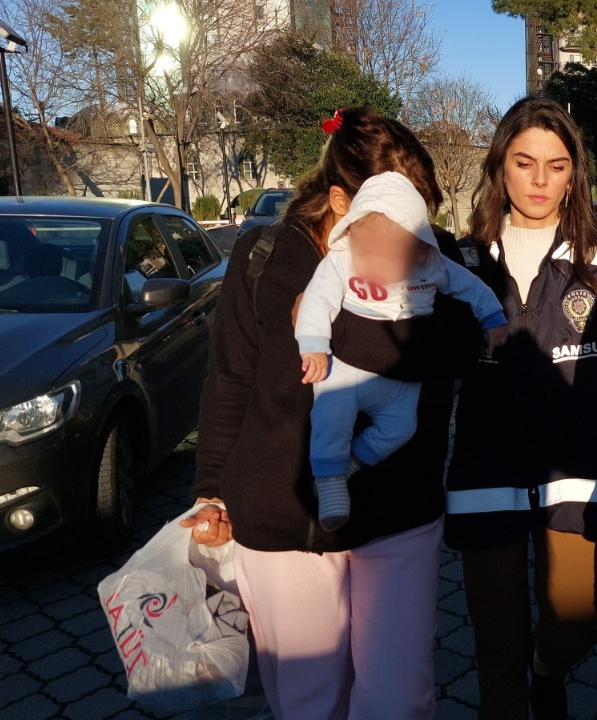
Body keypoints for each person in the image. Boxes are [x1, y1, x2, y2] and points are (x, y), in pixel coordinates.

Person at [181, 107, 479, 720]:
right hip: (279, 519)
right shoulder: (263, 255)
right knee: (309, 704)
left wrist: (329, 328)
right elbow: (230, 379)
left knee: (398, 702)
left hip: (396, 513)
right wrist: (211, 490)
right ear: (340, 200)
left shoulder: (433, 255)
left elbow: (455, 349)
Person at [444, 97, 597, 720]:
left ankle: (548, 673)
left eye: (556, 166)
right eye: (525, 163)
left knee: (575, 623)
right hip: (486, 476)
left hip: (578, 473)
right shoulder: (462, 264)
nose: (539, 181)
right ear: (501, 166)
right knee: (496, 645)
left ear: (574, 174)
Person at [295, 171, 508, 530]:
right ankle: (330, 480)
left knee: (401, 427)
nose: (374, 267)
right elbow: (317, 300)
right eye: (366, 253)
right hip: (344, 368)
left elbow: (473, 288)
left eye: (388, 257)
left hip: (398, 378)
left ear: (420, 249)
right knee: (329, 418)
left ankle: (355, 461)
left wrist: (493, 318)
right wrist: (314, 344)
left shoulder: (432, 265)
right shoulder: (342, 259)